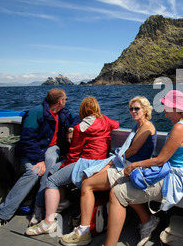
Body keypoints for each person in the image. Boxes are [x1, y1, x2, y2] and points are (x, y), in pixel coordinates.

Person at [103, 90, 183, 246]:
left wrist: (133, 165)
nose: (164, 108)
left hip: (175, 179)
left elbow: (160, 160)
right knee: (122, 184)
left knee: (116, 193)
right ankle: (146, 220)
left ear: (175, 108)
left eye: (166, 105)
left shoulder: (179, 128)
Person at [59, 96, 158, 246]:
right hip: (126, 164)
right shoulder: (138, 126)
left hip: (131, 167)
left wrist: (111, 162)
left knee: (87, 184)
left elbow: (132, 151)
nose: (133, 111)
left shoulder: (146, 127)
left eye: (136, 108)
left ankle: (83, 231)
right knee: (96, 180)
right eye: (131, 109)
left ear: (145, 110)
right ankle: (147, 220)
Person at [0, 88, 77, 236]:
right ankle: (1, 214)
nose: (66, 101)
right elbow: (28, 140)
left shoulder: (63, 113)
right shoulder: (35, 113)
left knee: (51, 165)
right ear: (60, 101)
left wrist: (71, 128)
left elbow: (75, 118)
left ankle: (38, 207)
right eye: (65, 99)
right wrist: (39, 160)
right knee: (34, 172)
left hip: (51, 148)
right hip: (33, 151)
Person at [25, 96, 119, 237]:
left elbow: (74, 153)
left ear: (82, 110)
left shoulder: (79, 128)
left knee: (52, 179)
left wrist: (64, 166)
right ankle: (61, 202)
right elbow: (116, 124)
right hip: (102, 162)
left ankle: (49, 221)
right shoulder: (105, 120)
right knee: (56, 171)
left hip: (86, 163)